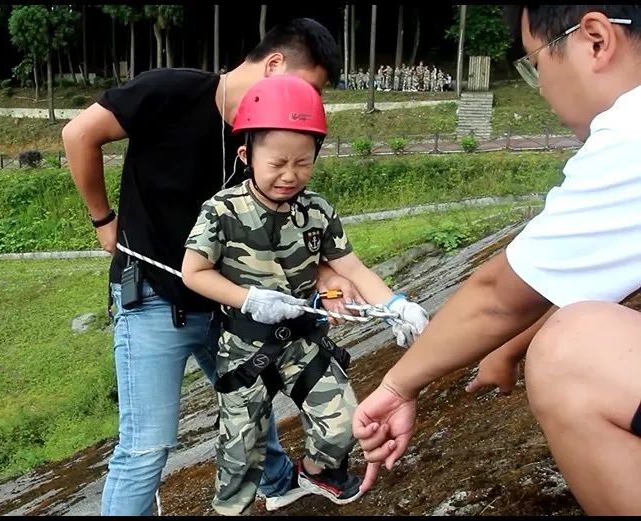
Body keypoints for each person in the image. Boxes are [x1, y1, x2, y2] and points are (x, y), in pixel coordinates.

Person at [62, 18, 361, 516]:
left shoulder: (266, 142)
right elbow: (78, 135)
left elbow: (288, 227)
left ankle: (280, 481)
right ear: (273, 65)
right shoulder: (170, 91)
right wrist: (103, 220)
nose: (306, 107)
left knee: (248, 396)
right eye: (305, 89)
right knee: (146, 448)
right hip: (154, 299)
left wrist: (327, 273)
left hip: (229, 301)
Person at [352, 5, 641, 515]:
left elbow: (499, 297)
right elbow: (590, 283)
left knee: (571, 352)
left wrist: (396, 385)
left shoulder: (631, 132)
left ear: (595, 40)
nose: (540, 87)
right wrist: (507, 350)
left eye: (534, 64)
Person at [181, 74, 431, 515]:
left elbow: (349, 266)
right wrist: (249, 299)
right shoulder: (222, 210)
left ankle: (315, 471)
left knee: (344, 424)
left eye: (302, 163)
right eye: (277, 163)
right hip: (244, 346)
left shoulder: (316, 211)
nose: (289, 176)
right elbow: (193, 272)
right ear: (246, 154)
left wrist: (396, 305)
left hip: (301, 340)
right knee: (241, 456)